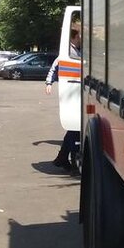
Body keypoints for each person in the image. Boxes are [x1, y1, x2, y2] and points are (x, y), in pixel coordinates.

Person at [45, 27, 81, 170]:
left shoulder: (78, 50)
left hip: (77, 92)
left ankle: (62, 158)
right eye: (79, 35)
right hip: (72, 92)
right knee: (75, 127)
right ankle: (66, 158)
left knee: (74, 127)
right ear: (74, 37)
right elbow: (54, 67)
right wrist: (49, 83)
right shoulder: (67, 52)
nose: (81, 38)